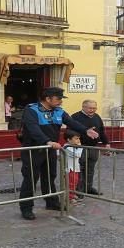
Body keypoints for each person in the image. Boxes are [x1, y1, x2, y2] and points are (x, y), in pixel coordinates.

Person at [17, 87, 98, 220]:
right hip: (33, 150)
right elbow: (33, 129)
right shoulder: (31, 110)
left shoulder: (59, 111)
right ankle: (26, 207)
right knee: (31, 178)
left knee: (50, 177)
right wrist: (47, 141)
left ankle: (51, 202)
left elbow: (71, 122)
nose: (60, 101)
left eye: (61, 98)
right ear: (47, 99)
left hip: (50, 150)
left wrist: (86, 130)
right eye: (58, 98)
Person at [71, 100, 110, 195]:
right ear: (83, 107)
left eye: (94, 108)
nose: (92, 110)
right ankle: (78, 190)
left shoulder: (97, 117)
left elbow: (102, 131)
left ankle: (88, 188)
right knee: (80, 169)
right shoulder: (75, 116)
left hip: (94, 148)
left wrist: (107, 143)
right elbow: (70, 132)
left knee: (90, 169)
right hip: (80, 147)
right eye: (90, 108)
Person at [62, 129, 83, 205]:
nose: (78, 140)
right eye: (76, 138)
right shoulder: (67, 148)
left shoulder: (72, 146)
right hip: (70, 169)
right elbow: (77, 155)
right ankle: (69, 197)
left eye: (78, 138)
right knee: (71, 183)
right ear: (69, 139)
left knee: (75, 182)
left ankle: (72, 194)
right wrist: (80, 147)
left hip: (75, 168)